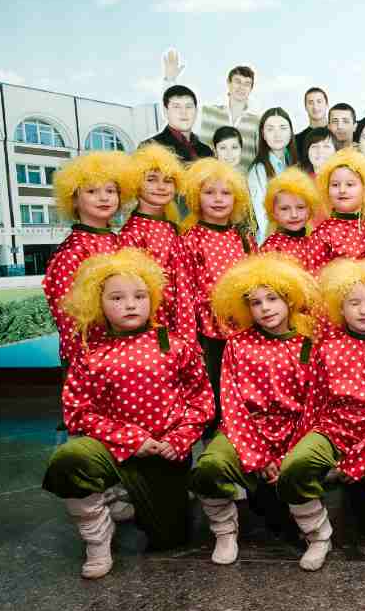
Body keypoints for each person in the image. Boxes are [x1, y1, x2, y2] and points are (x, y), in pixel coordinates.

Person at [42, 248, 213, 577]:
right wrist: (132, 440)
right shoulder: (91, 355)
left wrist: (179, 439)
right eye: (117, 298)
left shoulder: (176, 346)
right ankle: (97, 536)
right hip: (112, 450)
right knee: (69, 460)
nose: (130, 304)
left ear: (153, 299)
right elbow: (77, 412)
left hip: (164, 455)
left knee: (169, 539)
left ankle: (131, 496)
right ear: (98, 303)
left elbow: (202, 401)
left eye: (139, 296)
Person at [277, 258, 365, 571]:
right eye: (354, 303)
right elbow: (314, 403)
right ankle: (318, 535)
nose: (363, 310)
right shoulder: (328, 346)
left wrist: (360, 458)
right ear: (341, 307)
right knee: (294, 468)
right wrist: (295, 447)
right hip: (332, 430)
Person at [190, 253, 319, 565]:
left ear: (289, 299)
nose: (265, 308)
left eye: (272, 299)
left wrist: (288, 455)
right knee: (209, 467)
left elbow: (315, 406)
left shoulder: (309, 343)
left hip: (295, 433)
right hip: (246, 431)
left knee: (281, 511)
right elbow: (232, 404)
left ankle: (317, 534)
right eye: (256, 303)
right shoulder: (237, 344)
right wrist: (258, 455)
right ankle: (224, 531)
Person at [179, 157, 258, 432]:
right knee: (213, 390)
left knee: (243, 390)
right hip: (209, 332)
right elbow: (184, 292)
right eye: (209, 192)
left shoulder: (245, 239)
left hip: (245, 329)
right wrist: (190, 340)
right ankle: (213, 438)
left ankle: (244, 433)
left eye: (225, 193)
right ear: (196, 197)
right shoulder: (190, 239)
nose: (218, 199)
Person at [44, 151, 134, 369]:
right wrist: (87, 360)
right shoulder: (72, 251)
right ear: (74, 200)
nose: (104, 198)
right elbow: (68, 315)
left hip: (125, 351)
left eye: (110, 190)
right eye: (92, 191)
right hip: (89, 358)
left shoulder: (120, 241)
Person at [118, 144, 192, 335]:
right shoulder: (131, 233)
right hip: (156, 328)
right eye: (151, 180)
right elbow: (136, 290)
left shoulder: (173, 228)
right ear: (135, 183)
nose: (161, 187)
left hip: (184, 321)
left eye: (168, 180)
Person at [159, 52, 260, 168]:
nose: (241, 87)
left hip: (242, 179)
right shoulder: (207, 112)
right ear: (228, 83)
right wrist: (170, 80)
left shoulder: (257, 122)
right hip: (210, 177)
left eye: (247, 84)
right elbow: (175, 116)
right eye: (237, 81)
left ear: (251, 88)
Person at [306, 148, 365, 271]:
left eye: (350, 184)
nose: (342, 190)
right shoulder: (322, 234)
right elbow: (313, 276)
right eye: (335, 185)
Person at [295, 66, 365, 152]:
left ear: (326, 104)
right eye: (310, 102)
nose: (315, 106)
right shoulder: (300, 140)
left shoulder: (352, 130)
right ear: (305, 106)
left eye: (319, 101)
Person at [247, 107, 299, 243]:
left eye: (283, 128)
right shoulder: (258, 170)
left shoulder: (293, 164)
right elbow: (262, 217)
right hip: (272, 242)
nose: (277, 134)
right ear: (263, 134)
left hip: (294, 238)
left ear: (291, 132)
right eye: (270, 129)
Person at [259, 168, 320, 271]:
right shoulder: (272, 248)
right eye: (285, 209)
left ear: (310, 209)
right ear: (273, 213)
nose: (294, 215)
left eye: (300, 207)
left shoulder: (316, 242)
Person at [144, 85, 213, 162]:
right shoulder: (150, 147)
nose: (184, 112)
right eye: (176, 107)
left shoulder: (206, 151)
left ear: (196, 111)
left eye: (188, 107)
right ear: (165, 111)